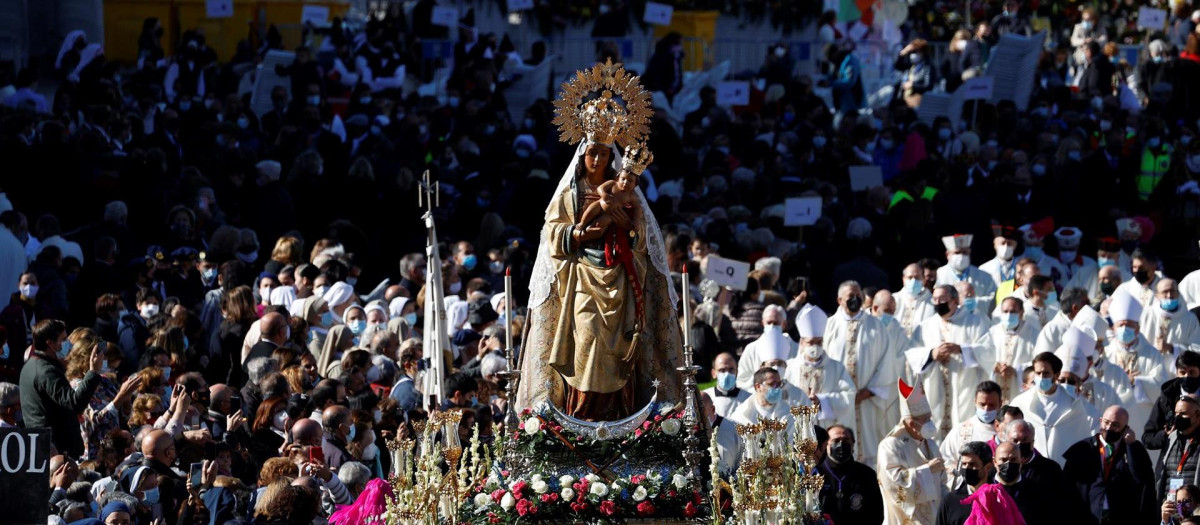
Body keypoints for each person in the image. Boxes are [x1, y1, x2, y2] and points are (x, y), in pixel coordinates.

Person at [905, 284, 994, 440]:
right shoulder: (926, 326)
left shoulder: (975, 321)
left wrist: (961, 349)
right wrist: (932, 354)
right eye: (935, 299)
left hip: (964, 384)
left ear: (954, 300)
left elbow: (988, 350)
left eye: (943, 299)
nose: (938, 303)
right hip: (934, 385)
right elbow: (912, 352)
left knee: (962, 424)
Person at [821, 282, 895, 465]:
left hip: (868, 400)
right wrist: (841, 396)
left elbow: (887, 362)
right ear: (839, 300)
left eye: (858, 296)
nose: (855, 300)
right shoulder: (828, 326)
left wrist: (869, 391)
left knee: (869, 448)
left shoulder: (876, 326)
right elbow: (822, 362)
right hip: (839, 402)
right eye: (850, 297)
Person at [19, 319, 104, 457]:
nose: (69, 344)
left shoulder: (32, 365)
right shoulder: (46, 371)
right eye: (63, 339)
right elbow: (74, 403)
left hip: (46, 444)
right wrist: (93, 372)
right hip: (56, 449)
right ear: (50, 343)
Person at [1061, 405, 1158, 524]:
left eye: (1116, 425)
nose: (1109, 428)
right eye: (1106, 422)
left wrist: (1131, 446)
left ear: (1125, 428)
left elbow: (1141, 479)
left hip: (1122, 517)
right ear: (1100, 421)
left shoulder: (1133, 449)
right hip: (1088, 516)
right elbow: (1066, 487)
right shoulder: (1082, 449)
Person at [784, 305, 857, 452]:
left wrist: (822, 401)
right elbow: (783, 397)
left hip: (826, 427)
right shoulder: (790, 367)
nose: (815, 346)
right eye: (811, 342)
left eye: (818, 342)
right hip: (797, 427)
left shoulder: (836, 367)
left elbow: (848, 395)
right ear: (802, 342)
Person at [1008, 352, 1098, 464]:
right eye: (1038, 373)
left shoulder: (1073, 403)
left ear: (1056, 375)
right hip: (1031, 468)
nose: (1041, 377)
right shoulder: (1021, 402)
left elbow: (1082, 439)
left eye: (1046, 373)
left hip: (1064, 468)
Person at [878, 378, 946, 525]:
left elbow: (942, 481)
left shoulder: (931, 443)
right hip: (905, 518)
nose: (930, 423)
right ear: (911, 423)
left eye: (930, 418)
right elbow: (895, 485)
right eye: (925, 419)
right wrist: (927, 470)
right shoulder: (890, 445)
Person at [1102, 289, 1169, 432]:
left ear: (1137, 328)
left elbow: (1162, 385)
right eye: (1121, 325)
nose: (1124, 328)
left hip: (1141, 416)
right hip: (1111, 416)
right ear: (1113, 328)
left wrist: (1136, 381)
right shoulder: (1106, 353)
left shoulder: (1152, 354)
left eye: (1129, 325)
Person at [819, 424, 885, 524]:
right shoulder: (816, 473)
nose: (841, 444)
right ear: (826, 444)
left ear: (853, 444)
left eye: (846, 441)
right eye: (836, 441)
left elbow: (876, 514)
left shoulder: (866, 474)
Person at [1144, 351, 1200, 452]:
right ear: (1177, 373)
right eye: (1183, 373)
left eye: (1192, 372)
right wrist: (1166, 434)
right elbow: (1148, 438)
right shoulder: (1166, 399)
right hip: (1173, 458)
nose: (1187, 376)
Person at [993, 440, 1061, 523]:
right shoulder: (985, 490)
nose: (1008, 464)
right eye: (1003, 460)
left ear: (1021, 461)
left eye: (1013, 459)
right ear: (995, 462)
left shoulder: (1038, 491)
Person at [1140, 278, 1200, 369]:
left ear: (1178, 293)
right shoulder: (1146, 315)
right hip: (1150, 367)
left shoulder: (1189, 318)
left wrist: (1172, 348)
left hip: (1177, 372)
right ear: (1157, 295)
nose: (1169, 295)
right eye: (1165, 292)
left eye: (1172, 291)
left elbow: (1197, 349)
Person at [940, 381, 1002, 467]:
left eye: (991, 405)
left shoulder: (1005, 431)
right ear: (975, 402)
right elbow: (945, 459)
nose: (986, 409)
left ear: (1000, 403)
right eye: (982, 404)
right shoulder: (960, 430)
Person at [736, 304, 797, 390]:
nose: (772, 326)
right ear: (762, 323)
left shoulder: (796, 348)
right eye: (769, 323)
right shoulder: (751, 349)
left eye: (776, 323)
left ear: (784, 324)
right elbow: (742, 382)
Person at [990, 297, 1039, 402]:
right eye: (1005, 311)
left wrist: (1016, 370)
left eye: (1013, 311)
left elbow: (1039, 362)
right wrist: (993, 365)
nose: (1008, 315)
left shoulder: (1033, 334)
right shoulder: (993, 332)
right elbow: (982, 355)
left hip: (1018, 389)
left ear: (1021, 312)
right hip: (996, 386)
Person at [935, 234, 997, 316]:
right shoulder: (940, 274)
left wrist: (973, 302)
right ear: (947, 255)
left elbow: (993, 299)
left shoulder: (984, 276)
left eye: (964, 252)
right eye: (957, 252)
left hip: (976, 319)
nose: (961, 256)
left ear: (969, 253)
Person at [934, 441, 994, 525]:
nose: (966, 468)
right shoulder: (950, 502)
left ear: (987, 467)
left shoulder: (999, 498)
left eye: (972, 464)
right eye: (964, 464)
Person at [1157, 396, 1200, 500]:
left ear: (1198, 414)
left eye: (1183, 414)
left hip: (1193, 510)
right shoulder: (1172, 438)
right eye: (1176, 413)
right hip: (1170, 507)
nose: (1178, 417)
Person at [701, 352, 749, 418]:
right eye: (722, 370)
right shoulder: (705, 397)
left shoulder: (748, 399)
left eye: (731, 369)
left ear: (737, 372)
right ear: (714, 373)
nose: (727, 374)